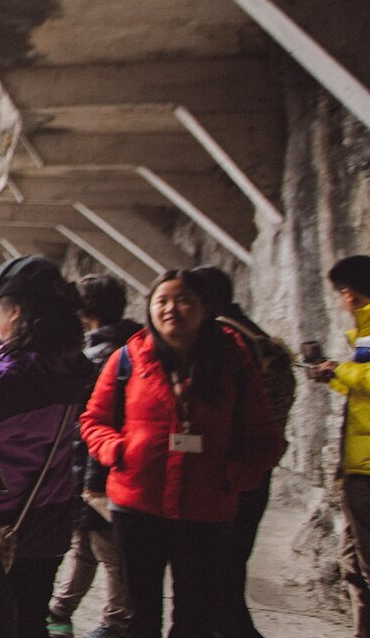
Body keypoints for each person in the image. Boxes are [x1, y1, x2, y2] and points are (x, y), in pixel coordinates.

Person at [80, 270, 285, 637]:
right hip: (137, 505)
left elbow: (264, 435)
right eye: (162, 301)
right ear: (150, 308)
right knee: (139, 617)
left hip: (206, 509)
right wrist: (119, 451)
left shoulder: (233, 363)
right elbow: (94, 420)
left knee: (194, 619)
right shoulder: (128, 359)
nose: (171, 309)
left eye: (183, 300)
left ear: (204, 308)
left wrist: (235, 475)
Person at [0, 256, 97, 638]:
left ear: (15, 311)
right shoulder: (71, 367)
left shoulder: (13, 382)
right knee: (30, 619)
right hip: (51, 521)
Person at [188, 265, 297, 638]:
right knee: (231, 567)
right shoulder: (260, 337)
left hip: (226, 469)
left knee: (215, 570)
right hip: (256, 467)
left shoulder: (224, 341)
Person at [307, 255, 370, 637]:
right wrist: (333, 376)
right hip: (369, 461)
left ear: (348, 293)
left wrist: (342, 369)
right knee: (358, 568)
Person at [47, 274, 141, 638]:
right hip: (108, 465)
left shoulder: (98, 356)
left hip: (97, 467)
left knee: (106, 549)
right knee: (86, 545)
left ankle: (116, 621)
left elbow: (91, 425)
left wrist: (91, 482)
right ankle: (61, 609)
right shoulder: (132, 349)